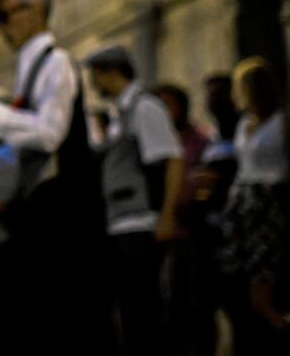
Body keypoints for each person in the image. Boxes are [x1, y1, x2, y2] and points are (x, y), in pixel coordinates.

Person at [0, 0, 109, 355]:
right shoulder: (31, 67)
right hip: (42, 210)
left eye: (6, 15)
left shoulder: (55, 63)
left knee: (69, 317)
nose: (2, 28)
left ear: (36, 9)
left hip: (65, 210)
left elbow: (49, 133)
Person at [84, 46, 184, 356]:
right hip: (121, 222)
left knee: (144, 309)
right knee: (130, 311)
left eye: (97, 76)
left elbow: (172, 160)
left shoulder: (144, 108)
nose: (94, 84)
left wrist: (166, 215)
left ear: (113, 72)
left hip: (140, 221)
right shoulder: (120, 113)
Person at [219, 57, 290, 354]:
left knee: (263, 271)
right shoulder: (244, 124)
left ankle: (280, 328)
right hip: (242, 202)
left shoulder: (282, 121)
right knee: (237, 272)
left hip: (268, 199)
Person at [153, 82, 217, 356]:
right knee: (171, 304)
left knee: (198, 301)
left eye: (168, 104)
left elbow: (205, 182)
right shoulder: (155, 143)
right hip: (163, 235)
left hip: (194, 233)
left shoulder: (199, 141)